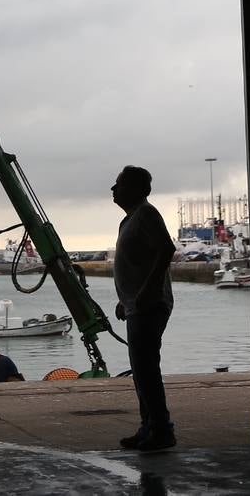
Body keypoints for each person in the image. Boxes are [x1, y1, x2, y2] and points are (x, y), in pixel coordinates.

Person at [112, 164, 177, 451]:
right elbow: (137, 263)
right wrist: (124, 299)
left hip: (149, 306)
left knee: (147, 369)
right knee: (140, 370)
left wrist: (146, 292)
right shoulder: (129, 220)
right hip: (136, 305)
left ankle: (162, 430)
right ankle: (148, 426)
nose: (113, 189)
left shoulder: (147, 214)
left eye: (119, 184)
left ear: (138, 189)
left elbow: (166, 249)